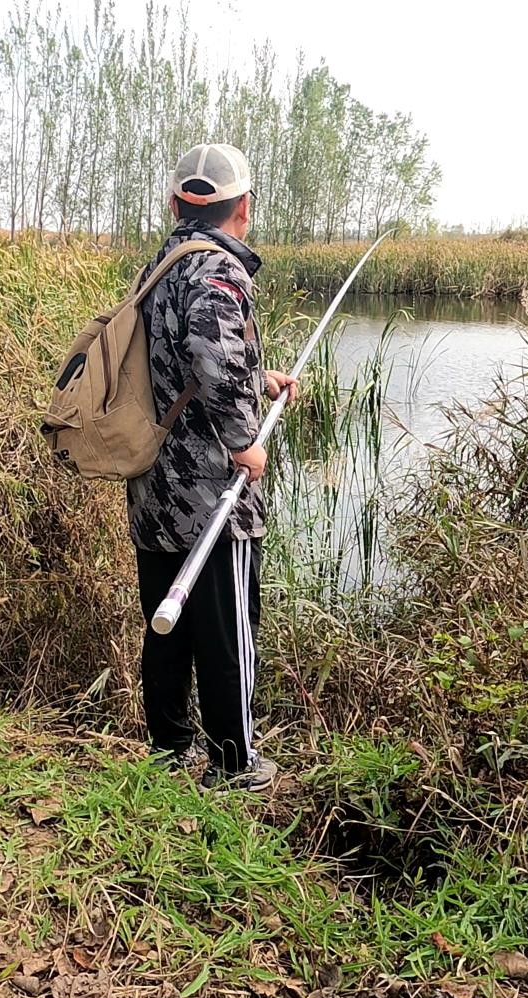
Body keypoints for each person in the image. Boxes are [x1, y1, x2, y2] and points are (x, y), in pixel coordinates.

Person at [130, 143, 297, 792]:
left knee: (165, 622)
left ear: (176, 204)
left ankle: (169, 749)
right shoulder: (220, 274)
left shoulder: (163, 265)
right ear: (244, 209)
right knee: (227, 629)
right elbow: (211, 350)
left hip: (155, 486)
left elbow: (183, 363)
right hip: (212, 495)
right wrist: (242, 440)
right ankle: (233, 764)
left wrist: (261, 378)